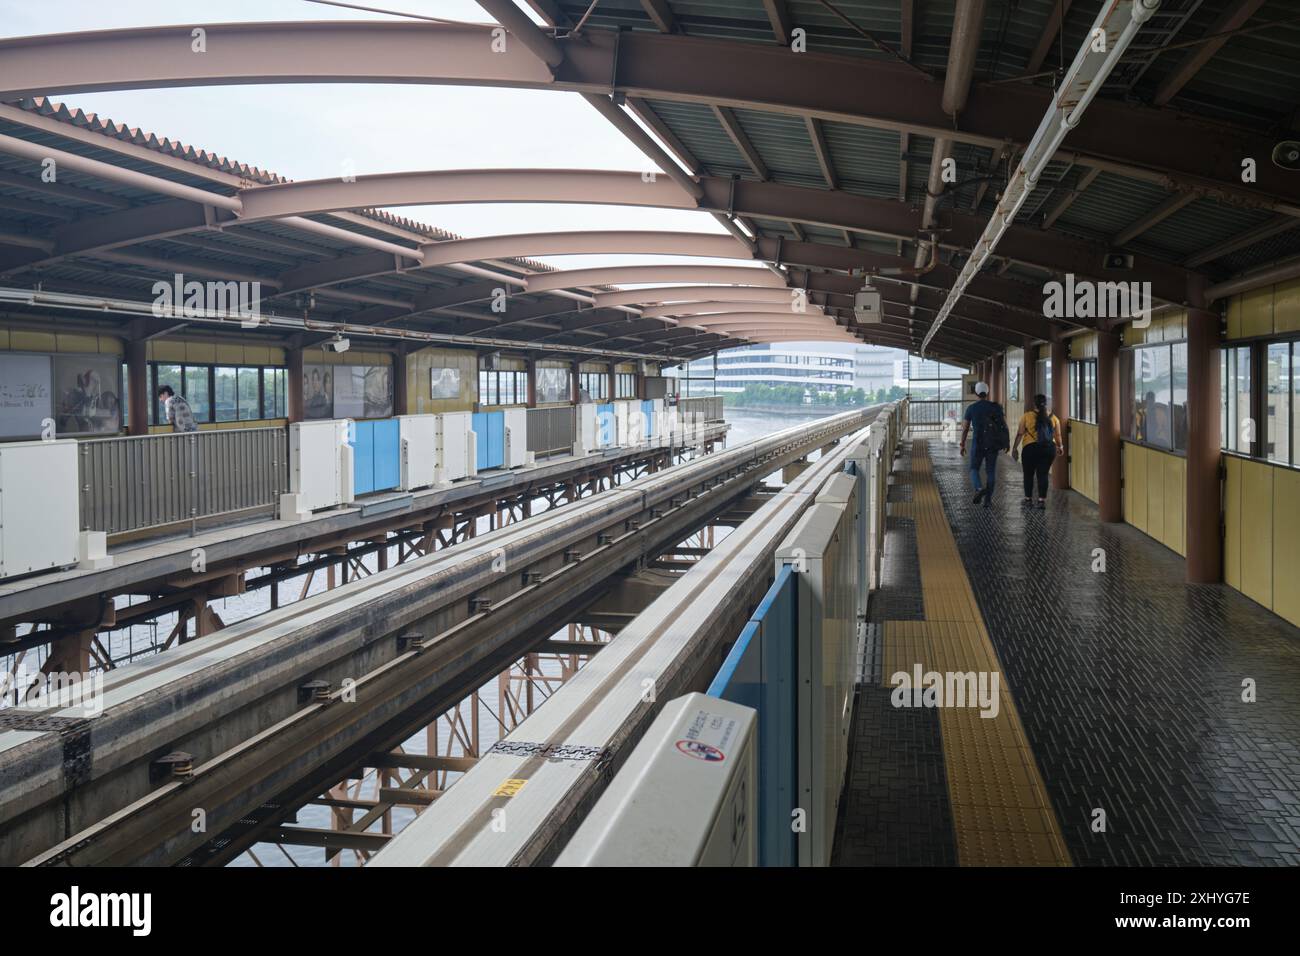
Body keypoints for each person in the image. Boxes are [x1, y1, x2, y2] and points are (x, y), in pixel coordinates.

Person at [959, 382, 1007, 507]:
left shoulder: (972, 408)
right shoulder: (996, 407)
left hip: (978, 443)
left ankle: (979, 488)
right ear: (987, 393)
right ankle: (988, 500)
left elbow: (965, 428)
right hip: (992, 443)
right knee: (990, 472)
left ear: (976, 393)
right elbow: (1003, 425)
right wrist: (1005, 442)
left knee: (974, 468)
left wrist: (962, 443)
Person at [1012, 393, 1063, 509]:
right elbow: (1058, 435)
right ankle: (1041, 501)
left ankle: (1028, 500)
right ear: (1046, 404)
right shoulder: (1054, 418)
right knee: (1043, 474)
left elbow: (1020, 433)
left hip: (1030, 448)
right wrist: (1060, 447)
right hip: (1048, 449)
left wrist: (1014, 448)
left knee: (1028, 474)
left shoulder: (1027, 416)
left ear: (1034, 404)